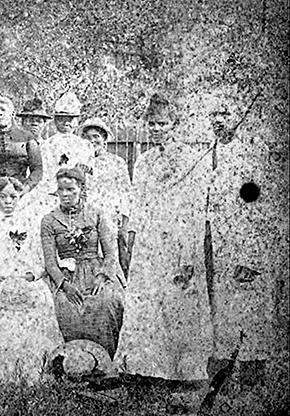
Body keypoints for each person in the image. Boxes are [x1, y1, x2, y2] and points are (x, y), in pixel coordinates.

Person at [115, 94, 213, 382]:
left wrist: (188, 250)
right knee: (147, 303)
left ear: (175, 125)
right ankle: (146, 368)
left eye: (163, 124)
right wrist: (130, 233)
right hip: (149, 240)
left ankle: (182, 372)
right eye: (152, 124)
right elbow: (137, 200)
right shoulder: (143, 161)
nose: (157, 129)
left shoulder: (189, 159)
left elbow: (192, 205)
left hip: (177, 239)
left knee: (177, 302)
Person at [206, 109, 287, 378]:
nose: (219, 121)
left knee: (252, 315)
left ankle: (252, 379)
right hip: (219, 250)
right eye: (213, 115)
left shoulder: (251, 155)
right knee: (224, 317)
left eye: (225, 114)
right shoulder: (210, 153)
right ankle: (224, 378)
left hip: (246, 250)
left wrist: (250, 258)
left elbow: (260, 209)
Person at [0, 176, 62, 383]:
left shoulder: (30, 224)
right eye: (3, 197)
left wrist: (30, 276)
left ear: (20, 197)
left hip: (24, 278)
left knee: (40, 297)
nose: (8, 201)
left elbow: (42, 260)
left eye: (13, 196)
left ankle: (34, 364)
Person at [40, 168, 125, 360]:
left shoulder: (96, 214)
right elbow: (50, 262)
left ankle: (106, 361)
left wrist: (102, 276)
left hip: (96, 271)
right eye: (61, 190)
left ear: (81, 188)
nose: (65, 194)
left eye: (70, 189)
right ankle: (72, 361)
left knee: (107, 301)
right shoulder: (49, 220)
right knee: (64, 304)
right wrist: (65, 285)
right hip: (67, 275)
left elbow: (111, 253)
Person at [79, 117, 133, 277]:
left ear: (104, 139)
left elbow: (126, 193)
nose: (92, 141)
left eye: (96, 136)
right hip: (87, 219)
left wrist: (124, 221)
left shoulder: (116, 162)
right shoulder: (80, 163)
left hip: (111, 218)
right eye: (87, 137)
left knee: (114, 261)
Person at [40, 93, 94, 185]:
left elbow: (90, 174)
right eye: (61, 119)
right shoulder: (46, 145)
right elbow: (43, 175)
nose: (66, 123)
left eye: (70, 119)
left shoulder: (85, 145)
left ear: (77, 121)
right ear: (55, 120)